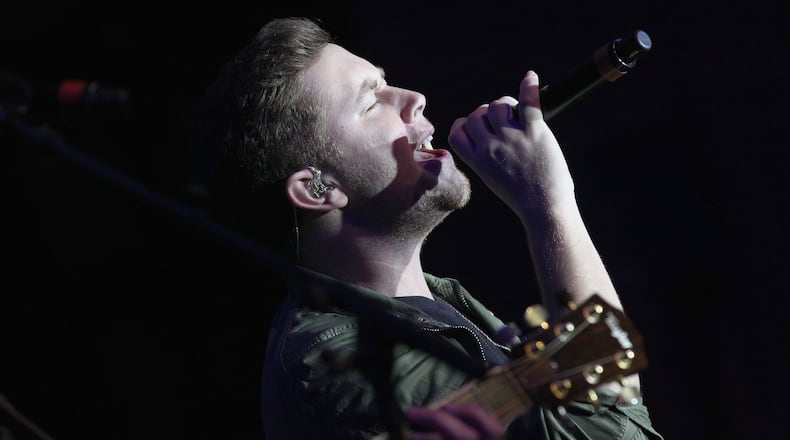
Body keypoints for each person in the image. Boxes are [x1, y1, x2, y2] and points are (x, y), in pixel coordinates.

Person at [190, 16, 664, 440]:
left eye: (386, 82)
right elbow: (608, 427)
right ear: (318, 189)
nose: (414, 99)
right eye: (370, 102)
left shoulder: (442, 302)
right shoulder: (344, 360)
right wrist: (550, 205)